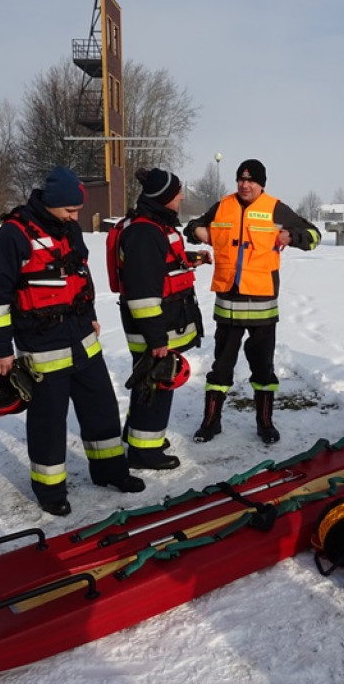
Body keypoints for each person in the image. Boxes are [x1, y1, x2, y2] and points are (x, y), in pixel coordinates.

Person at [0, 165, 143, 517]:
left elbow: (81, 275)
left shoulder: (69, 230)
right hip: (42, 345)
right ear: (50, 203)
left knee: (102, 409)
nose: (75, 216)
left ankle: (111, 472)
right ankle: (50, 490)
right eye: (70, 209)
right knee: (48, 422)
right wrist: (1, 347)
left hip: (82, 339)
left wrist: (92, 313)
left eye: (77, 210)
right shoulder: (12, 237)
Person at [184, 159, 321, 444]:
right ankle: (211, 422)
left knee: (263, 368)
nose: (245, 185)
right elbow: (194, 225)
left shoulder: (275, 208)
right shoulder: (223, 206)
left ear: (261, 184)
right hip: (228, 303)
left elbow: (314, 236)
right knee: (221, 367)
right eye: (241, 179)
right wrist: (198, 231)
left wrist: (292, 236)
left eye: (251, 180)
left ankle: (265, 423)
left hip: (262, 305)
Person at [112, 168, 209, 470]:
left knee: (149, 384)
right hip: (154, 331)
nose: (181, 196)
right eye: (177, 192)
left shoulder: (155, 226)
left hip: (162, 326)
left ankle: (139, 435)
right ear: (164, 197)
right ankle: (145, 453)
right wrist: (157, 341)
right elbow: (142, 293)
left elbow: (165, 264)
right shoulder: (144, 232)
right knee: (156, 386)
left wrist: (194, 257)